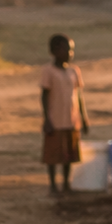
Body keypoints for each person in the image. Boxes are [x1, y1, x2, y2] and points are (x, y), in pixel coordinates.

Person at [40, 34, 90, 195]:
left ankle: (67, 184)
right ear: (54, 51)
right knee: (53, 155)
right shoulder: (48, 71)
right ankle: (53, 185)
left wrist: (84, 118)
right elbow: (44, 96)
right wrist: (47, 119)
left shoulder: (74, 71)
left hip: (72, 119)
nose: (70, 53)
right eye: (66, 50)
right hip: (55, 120)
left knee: (69, 154)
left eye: (71, 50)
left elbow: (79, 96)